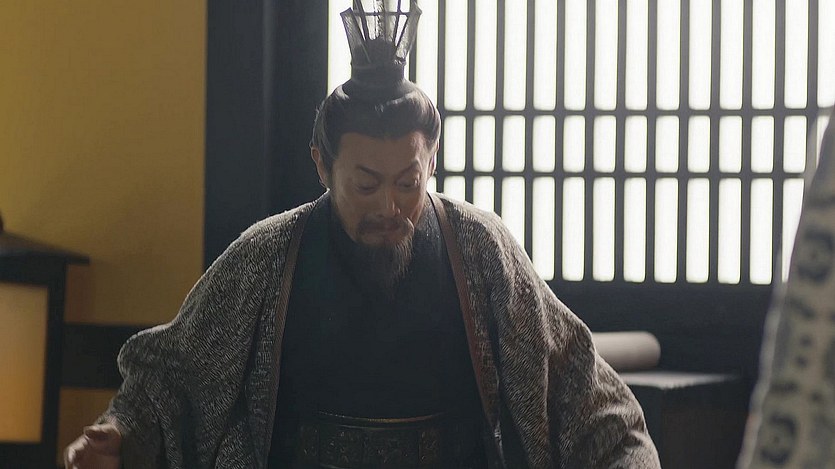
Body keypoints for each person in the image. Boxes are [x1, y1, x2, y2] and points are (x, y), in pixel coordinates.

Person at [65, 1, 659, 467]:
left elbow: (587, 395)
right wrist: (121, 432)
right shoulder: (268, 256)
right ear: (323, 166)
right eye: (366, 185)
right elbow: (171, 377)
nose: (389, 207)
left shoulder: (481, 250)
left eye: (407, 183)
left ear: (431, 163)